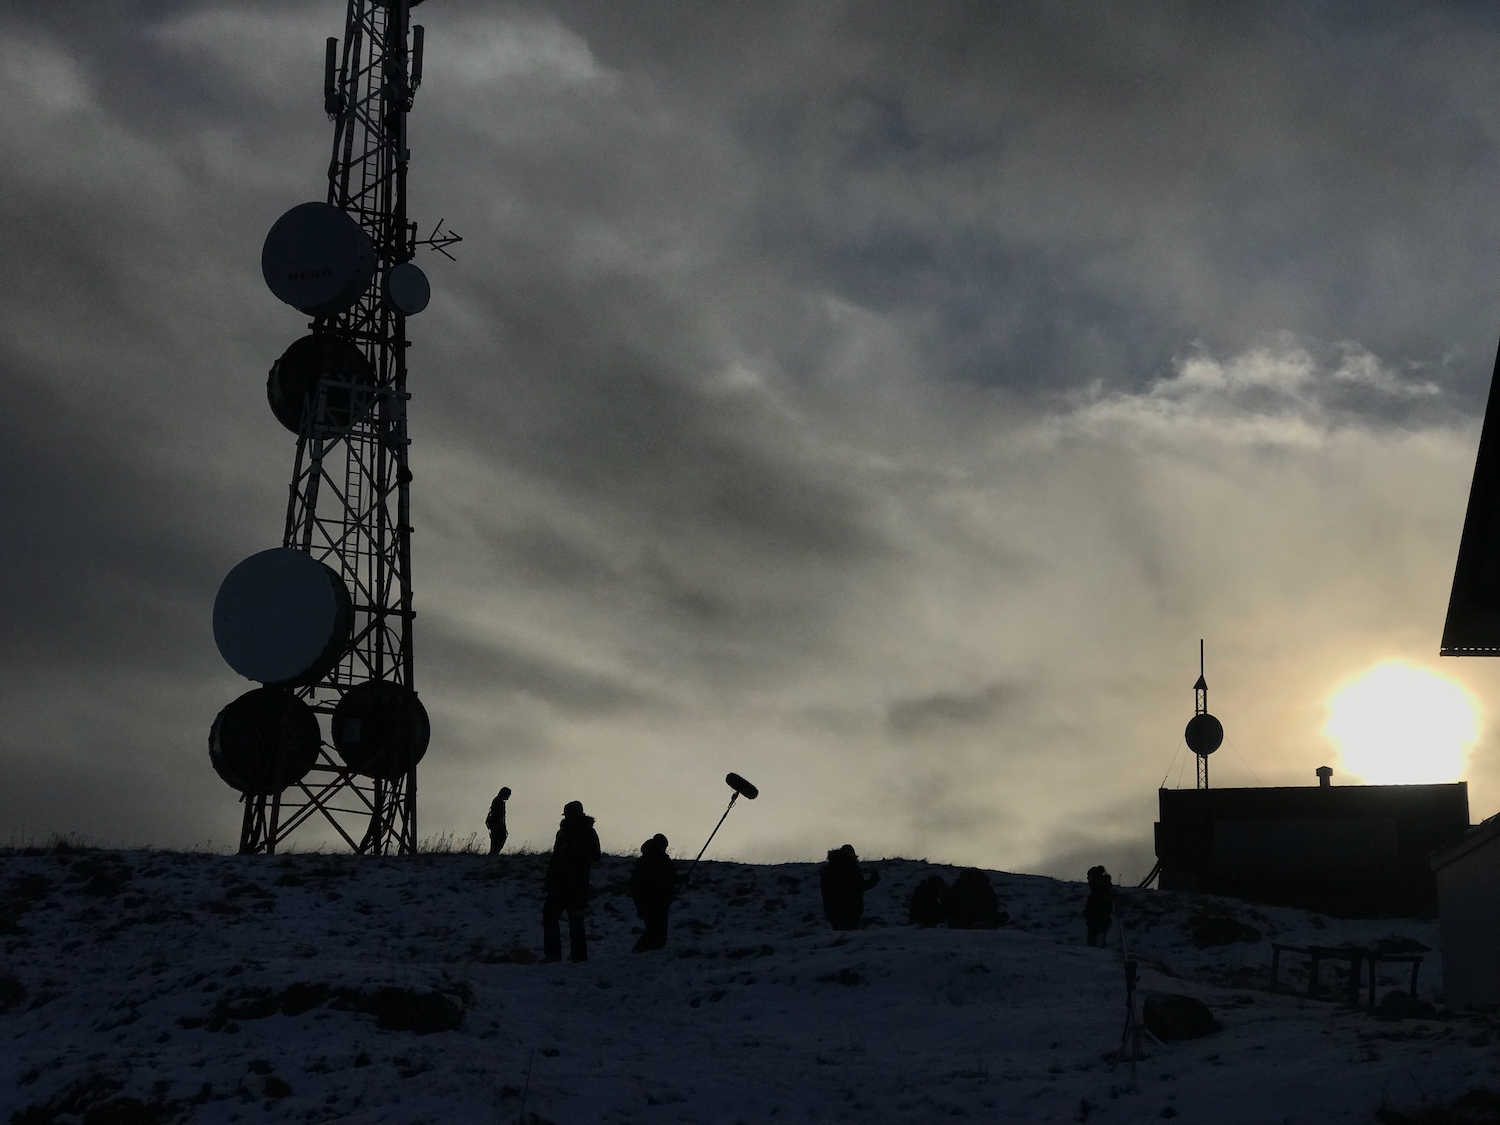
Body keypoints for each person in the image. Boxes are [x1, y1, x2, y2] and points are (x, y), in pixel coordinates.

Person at [542, 801, 601, 963]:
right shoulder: (562, 832)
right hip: (558, 884)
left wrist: (578, 852)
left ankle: (578, 956)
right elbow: (556, 857)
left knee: (575, 920)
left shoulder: (588, 832)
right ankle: (553, 955)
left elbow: (595, 855)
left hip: (576, 884)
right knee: (550, 917)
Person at [629, 834, 678, 953]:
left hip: (644, 901)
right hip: (658, 900)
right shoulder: (660, 860)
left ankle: (645, 952)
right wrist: (681, 880)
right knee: (656, 931)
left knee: (652, 929)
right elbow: (666, 878)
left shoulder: (643, 860)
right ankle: (642, 952)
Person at [820, 844, 880, 931]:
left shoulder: (827, 870)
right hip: (852, 910)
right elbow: (861, 886)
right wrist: (874, 877)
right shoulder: (852, 868)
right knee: (851, 935)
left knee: (839, 934)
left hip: (832, 909)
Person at [1085, 865, 1114, 946]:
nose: (1087, 879)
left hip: (1097, 922)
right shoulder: (1104, 890)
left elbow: (1100, 908)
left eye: (1089, 877)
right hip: (1099, 922)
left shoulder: (1099, 892)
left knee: (1095, 944)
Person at [486, 786, 511, 856]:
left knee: (499, 839)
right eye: (508, 794)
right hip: (496, 823)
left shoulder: (499, 801)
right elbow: (497, 814)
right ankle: (494, 854)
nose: (509, 797)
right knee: (498, 839)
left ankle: (494, 854)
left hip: (497, 823)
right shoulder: (498, 801)